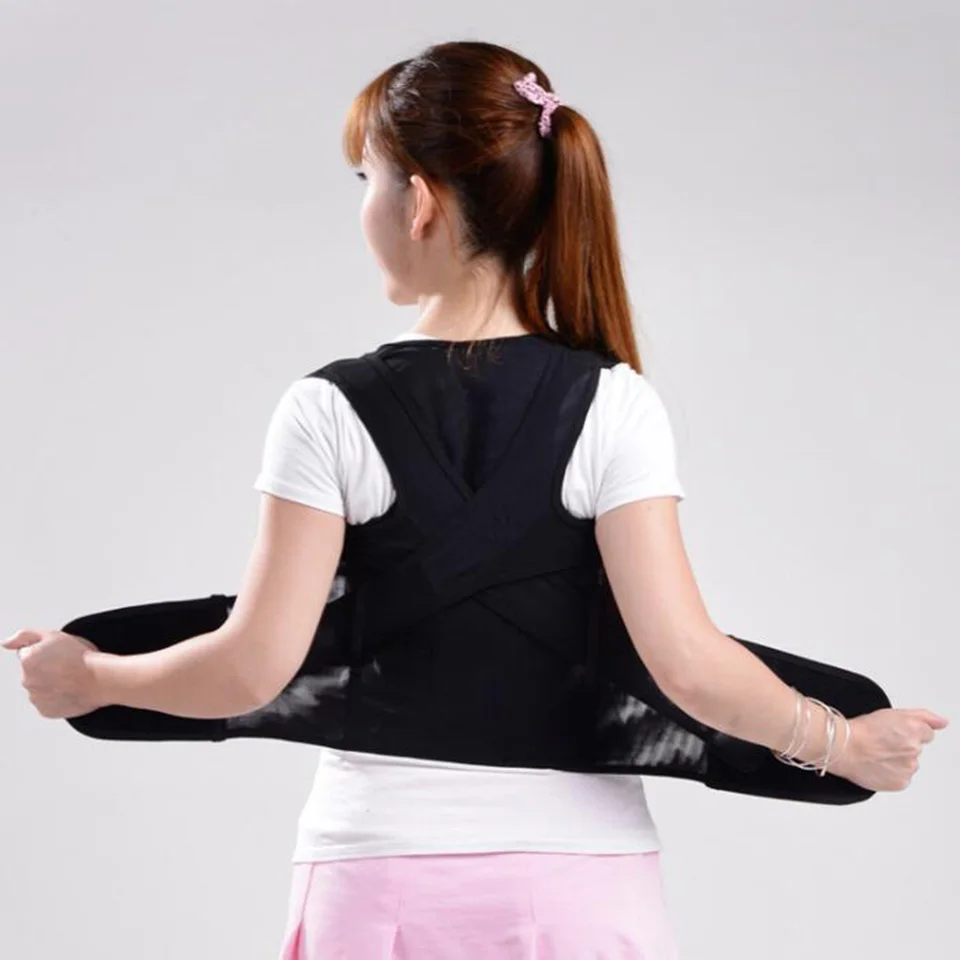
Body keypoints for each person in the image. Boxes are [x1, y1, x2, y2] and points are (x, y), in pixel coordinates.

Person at [6, 40, 949, 960]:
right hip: (583, 883)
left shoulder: (328, 407)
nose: (365, 208)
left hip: (376, 872)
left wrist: (94, 679)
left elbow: (251, 668)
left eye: (367, 179)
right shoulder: (616, 403)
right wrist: (842, 745)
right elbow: (690, 667)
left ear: (418, 201)